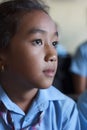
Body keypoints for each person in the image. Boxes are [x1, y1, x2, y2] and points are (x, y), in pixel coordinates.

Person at [0, 0, 80, 129]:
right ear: (2, 52)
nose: (53, 55)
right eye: (38, 41)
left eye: (54, 43)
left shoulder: (65, 110)